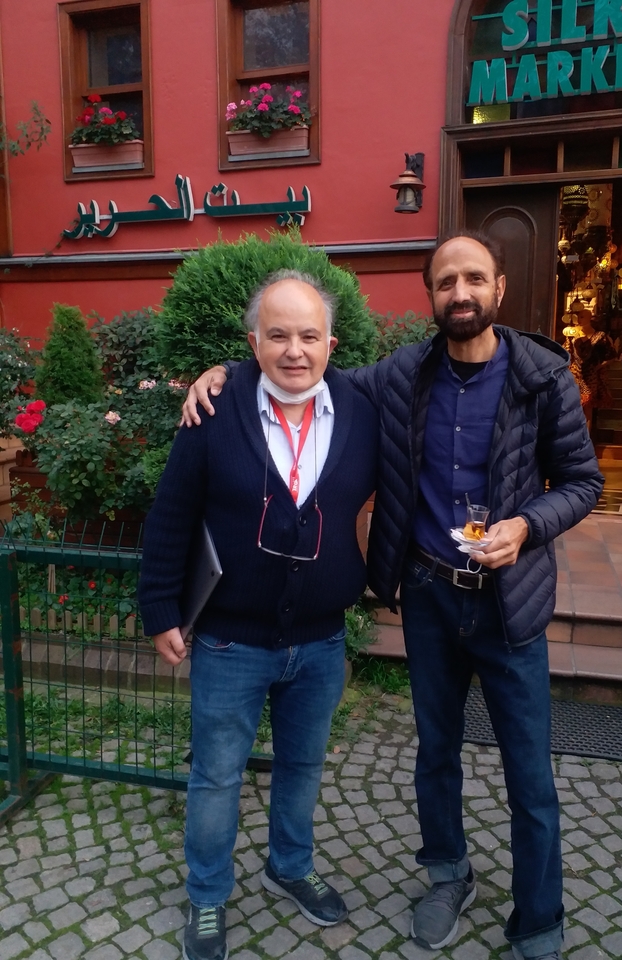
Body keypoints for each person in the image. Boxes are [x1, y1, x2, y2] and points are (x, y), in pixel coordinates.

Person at [182, 232, 604, 960]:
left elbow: (583, 482)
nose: (461, 293)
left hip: (512, 603)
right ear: (432, 296)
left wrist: (529, 526)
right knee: (434, 752)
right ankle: (448, 876)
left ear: (499, 289)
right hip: (432, 596)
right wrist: (223, 372)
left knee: (529, 771)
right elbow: (300, 367)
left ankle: (539, 918)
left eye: (475, 279)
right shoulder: (401, 376)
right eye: (447, 282)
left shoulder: (544, 378)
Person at [139, 270, 378, 960]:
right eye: (278, 334)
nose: (294, 350)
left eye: (308, 335)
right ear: (254, 342)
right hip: (228, 642)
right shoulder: (215, 410)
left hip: (321, 640)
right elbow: (171, 517)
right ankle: (208, 897)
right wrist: (160, 610)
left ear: (332, 343)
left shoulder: (361, 410)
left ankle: (290, 865)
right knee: (217, 776)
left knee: (303, 766)